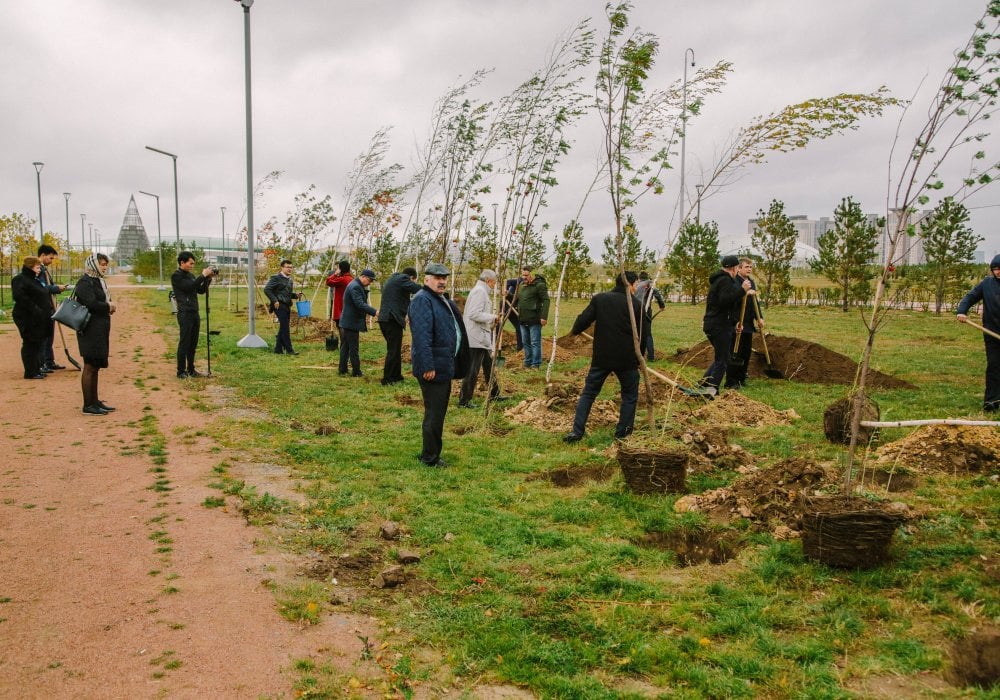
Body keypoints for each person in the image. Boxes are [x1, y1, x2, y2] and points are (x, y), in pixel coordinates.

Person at [563, 271, 649, 443]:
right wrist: (640, 358)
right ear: (630, 284)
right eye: (636, 284)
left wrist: (576, 330)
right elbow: (644, 334)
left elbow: (581, 322)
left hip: (602, 357)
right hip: (627, 359)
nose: (637, 287)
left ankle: (576, 432)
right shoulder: (637, 305)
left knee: (588, 393)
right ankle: (622, 434)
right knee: (630, 396)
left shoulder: (600, 299)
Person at [409, 262, 469, 467]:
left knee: (436, 411)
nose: (441, 281)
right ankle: (430, 458)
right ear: (426, 280)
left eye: (444, 278)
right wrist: (427, 366)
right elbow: (421, 337)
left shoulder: (439, 299)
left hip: (443, 363)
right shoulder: (422, 301)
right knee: (435, 413)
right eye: (437, 278)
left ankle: (429, 451)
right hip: (433, 367)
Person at [701, 254, 753, 392]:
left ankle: (703, 383)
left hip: (715, 323)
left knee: (722, 356)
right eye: (737, 267)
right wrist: (743, 290)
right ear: (734, 268)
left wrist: (735, 322)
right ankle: (712, 389)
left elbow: (727, 305)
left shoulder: (720, 280)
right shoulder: (724, 281)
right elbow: (726, 300)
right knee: (723, 360)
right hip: (719, 325)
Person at [74, 253, 117, 415]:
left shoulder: (98, 281)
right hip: (90, 328)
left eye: (106, 264)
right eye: (101, 264)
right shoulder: (85, 282)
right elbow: (91, 303)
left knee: (96, 365)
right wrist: (108, 306)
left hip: (99, 327)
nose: (104, 267)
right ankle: (88, 404)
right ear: (92, 264)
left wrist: (107, 307)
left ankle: (95, 401)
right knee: (90, 365)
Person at [956, 254, 1000, 412]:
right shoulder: (987, 284)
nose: (999, 272)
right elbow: (970, 297)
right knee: (994, 366)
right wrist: (962, 311)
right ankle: (991, 403)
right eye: (996, 269)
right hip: (991, 332)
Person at [458, 269, 506, 408]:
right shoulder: (480, 291)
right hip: (475, 338)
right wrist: (493, 317)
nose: (494, 285)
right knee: (472, 370)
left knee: (488, 367)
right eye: (493, 283)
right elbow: (474, 314)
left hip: (480, 337)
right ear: (488, 280)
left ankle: (494, 394)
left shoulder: (481, 290)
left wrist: (491, 321)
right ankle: (464, 401)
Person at [171, 251, 215, 379]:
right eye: (190, 263)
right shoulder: (177, 276)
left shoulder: (190, 275)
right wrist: (202, 276)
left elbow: (200, 290)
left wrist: (208, 278)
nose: (192, 266)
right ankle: (181, 371)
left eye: (193, 264)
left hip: (194, 312)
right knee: (184, 342)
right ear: (182, 262)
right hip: (185, 313)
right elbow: (188, 287)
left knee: (193, 343)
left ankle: (191, 369)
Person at [378, 267, 421, 385]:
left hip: (386, 319)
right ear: (412, 278)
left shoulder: (393, 280)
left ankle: (396, 376)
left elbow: (401, 300)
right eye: (413, 280)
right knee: (393, 350)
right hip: (392, 319)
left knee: (395, 349)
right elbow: (417, 289)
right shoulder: (403, 279)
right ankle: (387, 379)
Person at [725, 257, 763, 390]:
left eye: (751, 267)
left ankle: (741, 377)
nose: (749, 269)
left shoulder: (751, 282)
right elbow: (732, 302)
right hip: (737, 321)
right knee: (736, 351)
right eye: (747, 267)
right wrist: (735, 322)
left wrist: (760, 318)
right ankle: (731, 380)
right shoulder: (735, 282)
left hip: (748, 322)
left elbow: (755, 302)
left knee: (746, 352)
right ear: (739, 268)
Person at [11, 257, 51, 380]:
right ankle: (30, 371)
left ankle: (36, 368)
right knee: (30, 343)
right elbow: (21, 298)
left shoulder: (34, 280)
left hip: (38, 318)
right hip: (27, 318)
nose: (40, 270)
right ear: (30, 267)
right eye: (38, 267)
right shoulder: (20, 280)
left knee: (38, 343)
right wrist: (36, 310)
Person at [339, 268, 378, 377]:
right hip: (351, 323)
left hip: (347, 321)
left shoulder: (355, 284)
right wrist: (375, 312)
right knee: (353, 348)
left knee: (345, 347)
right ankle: (356, 372)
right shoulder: (355, 286)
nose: (370, 283)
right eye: (369, 280)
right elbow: (360, 304)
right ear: (363, 277)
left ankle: (342, 369)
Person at [37, 244, 70, 371]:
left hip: (50, 307)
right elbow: (41, 288)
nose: (52, 261)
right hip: (43, 308)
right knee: (45, 337)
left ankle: (49, 361)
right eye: (50, 258)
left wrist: (57, 287)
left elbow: (48, 285)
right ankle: (44, 363)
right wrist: (56, 288)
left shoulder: (44, 269)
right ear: (43, 255)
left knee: (49, 336)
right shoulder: (38, 269)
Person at [264, 259, 301, 355]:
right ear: (282, 267)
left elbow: (287, 293)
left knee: (283, 327)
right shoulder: (276, 278)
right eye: (287, 267)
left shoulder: (289, 280)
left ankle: (278, 349)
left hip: (287, 305)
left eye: (291, 267)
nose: (290, 269)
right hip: (278, 305)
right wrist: (274, 300)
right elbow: (267, 289)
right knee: (285, 328)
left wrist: (295, 295)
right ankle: (289, 350)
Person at [517, 266, 549, 368]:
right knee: (525, 342)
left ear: (532, 275)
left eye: (526, 275)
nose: (524, 277)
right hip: (523, 319)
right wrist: (508, 294)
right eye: (523, 275)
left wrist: (544, 317)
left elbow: (546, 300)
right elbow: (518, 297)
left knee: (535, 342)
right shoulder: (522, 285)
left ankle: (536, 364)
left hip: (534, 319)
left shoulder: (539, 285)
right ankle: (528, 362)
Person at [634, 270, 666, 361]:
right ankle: (651, 357)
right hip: (646, 311)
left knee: (634, 331)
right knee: (647, 334)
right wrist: (662, 306)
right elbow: (658, 295)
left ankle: (635, 354)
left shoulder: (635, 285)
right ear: (647, 278)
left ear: (639, 278)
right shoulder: (649, 285)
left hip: (634, 310)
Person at [325, 261, 353, 347]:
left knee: (341, 326)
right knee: (346, 327)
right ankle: (346, 345)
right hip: (348, 307)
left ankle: (344, 346)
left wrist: (335, 274)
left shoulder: (342, 279)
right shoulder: (351, 279)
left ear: (341, 269)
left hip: (340, 307)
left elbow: (328, 282)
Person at [503, 277, 523, 351]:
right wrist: (507, 291)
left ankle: (520, 348)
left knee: (519, 326)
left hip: (515, 308)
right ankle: (493, 345)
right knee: (499, 325)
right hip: (505, 305)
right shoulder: (520, 281)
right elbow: (508, 281)